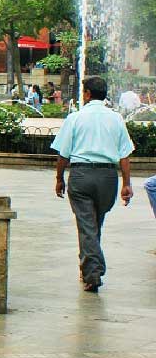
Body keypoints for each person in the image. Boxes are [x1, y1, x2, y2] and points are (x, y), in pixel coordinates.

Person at [52, 76, 134, 293]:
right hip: (108, 178)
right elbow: (124, 155)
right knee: (94, 224)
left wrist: (59, 178)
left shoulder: (75, 118)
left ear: (87, 93)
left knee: (87, 225)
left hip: (81, 175)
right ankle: (87, 267)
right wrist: (127, 183)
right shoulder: (116, 119)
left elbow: (63, 153)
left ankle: (93, 273)